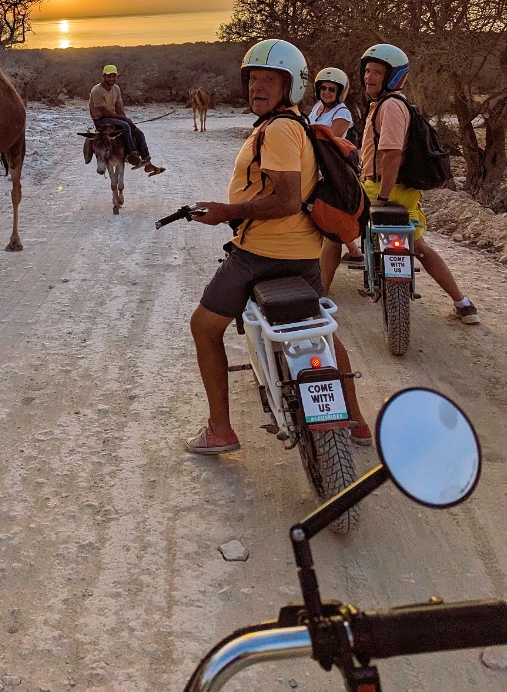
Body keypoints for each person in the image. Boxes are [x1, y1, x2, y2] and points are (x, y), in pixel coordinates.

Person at [186, 39, 370, 455]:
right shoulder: (295, 123)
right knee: (318, 330)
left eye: (269, 80)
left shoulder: (280, 129)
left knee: (203, 326)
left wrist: (224, 210)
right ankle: (356, 422)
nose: (257, 87)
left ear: (292, 86)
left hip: (259, 257)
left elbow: (286, 200)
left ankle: (219, 430)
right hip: (304, 258)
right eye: (252, 79)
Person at [357, 44, 479, 325]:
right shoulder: (394, 104)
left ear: (393, 76)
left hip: (383, 188)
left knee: (334, 229)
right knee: (419, 247)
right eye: (367, 72)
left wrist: (383, 197)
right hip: (404, 191)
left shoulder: (389, 107)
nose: (369, 77)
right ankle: (463, 303)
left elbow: (391, 154)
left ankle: (319, 298)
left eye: (377, 72)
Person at [309, 66, 363, 286]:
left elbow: (332, 139)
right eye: (323, 88)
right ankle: (355, 252)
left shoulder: (342, 113)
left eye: (332, 89)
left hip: (333, 166)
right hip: (316, 162)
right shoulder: (318, 108)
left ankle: (319, 274)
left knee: (326, 211)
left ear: (340, 92)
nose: (327, 92)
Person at [88, 65, 165, 176]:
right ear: (103, 76)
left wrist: (129, 121)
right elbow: (104, 112)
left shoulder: (116, 89)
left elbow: (119, 107)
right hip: (100, 120)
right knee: (124, 125)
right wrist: (124, 120)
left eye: (114, 76)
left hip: (114, 118)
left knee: (138, 132)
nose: (111, 79)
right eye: (109, 76)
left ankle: (147, 163)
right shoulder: (97, 90)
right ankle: (132, 156)